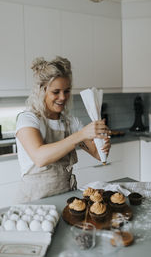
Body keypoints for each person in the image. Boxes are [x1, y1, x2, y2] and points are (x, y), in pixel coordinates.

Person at [15, 56, 111, 203]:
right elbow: (40, 158)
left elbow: (98, 155)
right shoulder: (28, 119)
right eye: (56, 92)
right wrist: (81, 134)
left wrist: (102, 141)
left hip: (66, 198)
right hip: (34, 201)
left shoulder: (71, 123)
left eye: (66, 91)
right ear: (42, 90)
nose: (63, 97)